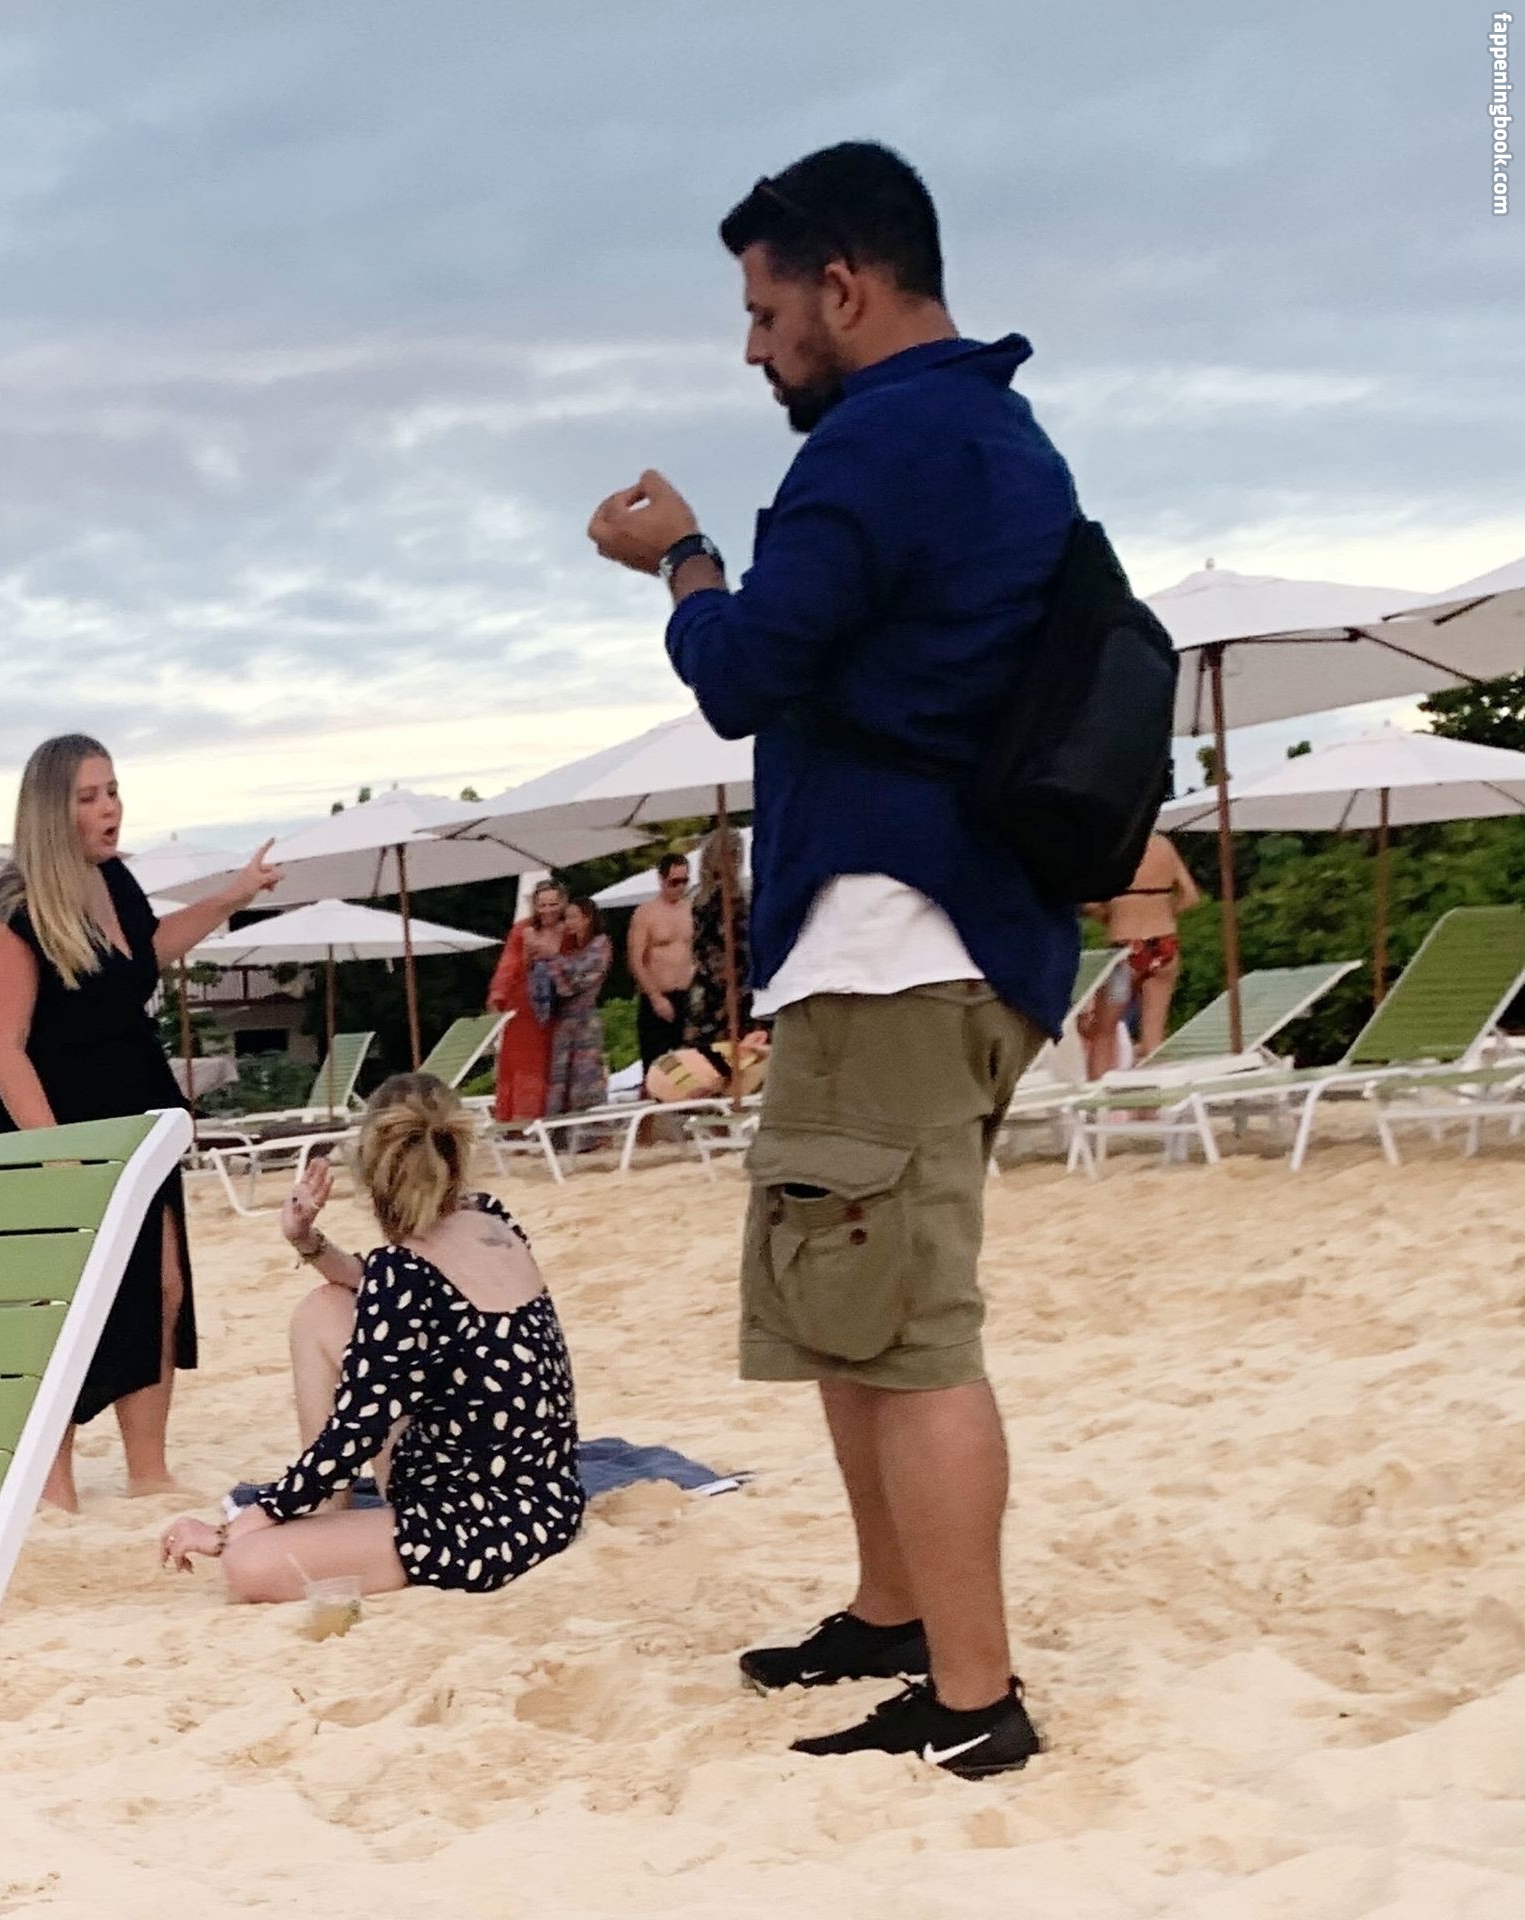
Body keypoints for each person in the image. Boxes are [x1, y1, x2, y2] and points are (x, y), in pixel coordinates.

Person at [587, 143, 1080, 1776]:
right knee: (849, 1305)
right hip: (945, 933)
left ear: (842, 290)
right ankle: (891, 1612)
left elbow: (742, 670)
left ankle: (972, 1698)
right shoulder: (989, 434)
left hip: (892, 939)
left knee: (907, 1327)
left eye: (760, 310)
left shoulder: (881, 443)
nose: (751, 346)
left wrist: (683, 562)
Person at [0, 733, 280, 1511]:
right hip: (54, 1125)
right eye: (89, 797)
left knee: (160, 1287)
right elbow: (3, 1046)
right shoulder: (11, 911)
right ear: (51, 811)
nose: (110, 808)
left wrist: (232, 898)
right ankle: (51, 1485)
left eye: (112, 790)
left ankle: (148, 1469)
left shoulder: (113, 880)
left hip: (136, 1113)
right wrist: (57, 1159)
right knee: (61, 1303)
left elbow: (144, 953)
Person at [158, 1073, 584, 1600]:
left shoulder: (402, 1273)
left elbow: (355, 1433)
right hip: (547, 1494)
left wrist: (236, 1528)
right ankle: (326, 1514)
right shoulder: (491, 1220)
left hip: (476, 1523)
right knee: (325, 1309)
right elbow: (401, 1294)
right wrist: (307, 1241)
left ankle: (320, 1520)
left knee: (249, 1564)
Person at [1081, 833, 1201, 1071]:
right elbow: (1190, 896)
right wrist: (1162, 914)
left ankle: (1098, 1094)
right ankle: (1154, 1094)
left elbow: (1091, 904)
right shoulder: (1163, 845)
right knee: (1153, 1037)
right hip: (1164, 945)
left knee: (1103, 1032)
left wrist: (1111, 918)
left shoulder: (1112, 843)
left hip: (1126, 952)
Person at [486, 879, 567, 1123]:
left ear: (563, 903)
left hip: (561, 1004)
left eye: (553, 904)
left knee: (557, 1063)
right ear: (535, 905)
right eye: (543, 905)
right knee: (524, 1064)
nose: (548, 910)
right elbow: (508, 966)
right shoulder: (523, 930)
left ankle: (558, 1122)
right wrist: (497, 997)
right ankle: (520, 1122)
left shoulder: (570, 929)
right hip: (525, 1006)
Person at [537, 897, 612, 1126]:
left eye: (573, 917)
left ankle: (592, 1132)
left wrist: (553, 958)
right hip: (564, 1020)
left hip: (585, 1018)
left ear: (587, 918)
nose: (568, 922)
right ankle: (561, 1132)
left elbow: (580, 977)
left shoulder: (600, 944)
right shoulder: (570, 949)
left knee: (586, 1075)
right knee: (562, 1079)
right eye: (566, 918)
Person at [684, 826, 752, 1067]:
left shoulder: (699, 899)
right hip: (730, 986)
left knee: (707, 1058)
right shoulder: (730, 899)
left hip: (705, 985)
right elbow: (734, 945)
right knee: (734, 1057)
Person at [627, 852, 696, 1089]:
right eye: (674, 882)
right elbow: (636, 960)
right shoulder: (646, 913)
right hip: (657, 996)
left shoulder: (690, 910)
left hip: (686, 994)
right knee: (657, 1071)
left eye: (684, 881)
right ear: (661, 879)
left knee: (689, 1069)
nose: (680, 887)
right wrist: (655, 997)